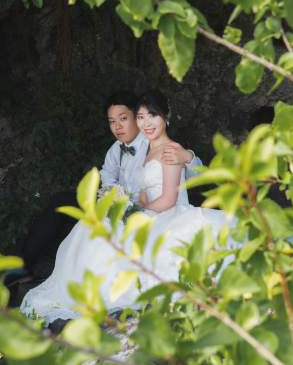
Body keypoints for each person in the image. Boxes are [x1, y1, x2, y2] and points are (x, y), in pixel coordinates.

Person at [20, 90, 243, 323]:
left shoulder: (169, 150)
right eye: (141, 117)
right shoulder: (143, 152)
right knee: (95, 229)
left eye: (151, 116)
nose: (145, 123)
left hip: (170, 213)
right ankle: (79, 287)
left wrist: (186, 157)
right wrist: (126, 207)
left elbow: (170, 197)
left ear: (167, 116)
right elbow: (139, 195)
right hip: (150, 211)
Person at [3, 91, 202, 286]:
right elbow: (107, 181)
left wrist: (189, 158)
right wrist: (116, 203)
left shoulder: (156, 145)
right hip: (125, 207)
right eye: (112, 121)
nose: (118, 126)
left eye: (124, 118)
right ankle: (19, 266)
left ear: (135, 117)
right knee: (61, 201)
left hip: (150, 211)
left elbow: (195, 176)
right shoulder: (116, 148)